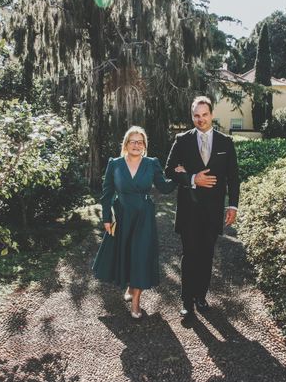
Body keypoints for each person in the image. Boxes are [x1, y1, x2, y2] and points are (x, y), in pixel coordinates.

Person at [164, 96, 240, 319]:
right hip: (189, 210)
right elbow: (169, 170)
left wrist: (233, 206)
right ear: (192, 116)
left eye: (204, 115)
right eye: (196, 115)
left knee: (207, 255)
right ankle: (187, 302)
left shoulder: (226, 142)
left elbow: (233, 178)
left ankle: (200, 296)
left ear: (212, 115)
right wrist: (192, 178)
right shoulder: (182, 140)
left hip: (213, 211)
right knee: (190, 255)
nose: (201, 119)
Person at [93, 126, 177, 319]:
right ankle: (130, 287)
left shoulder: (151, 163)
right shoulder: (114, 164)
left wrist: (179, 175)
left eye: (140, 142)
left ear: (145, 145)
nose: (136, 145)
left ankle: (136, 301)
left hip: (144, 217)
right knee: (126, 253)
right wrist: (106, 218)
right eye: (133, 141)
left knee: (140, 255)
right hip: (122, 216)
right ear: (126, 144)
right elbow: (106, 195)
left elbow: (164, 187)